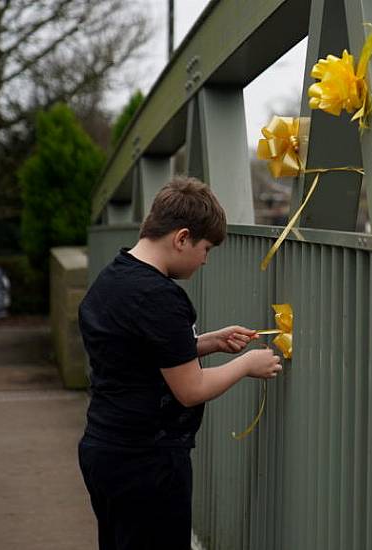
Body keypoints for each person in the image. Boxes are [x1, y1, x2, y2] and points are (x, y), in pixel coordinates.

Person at [77, 176, 281, 549]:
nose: (205, 259)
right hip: (147, 462)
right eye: (206, 248)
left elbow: (137, 353)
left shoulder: (113, 278)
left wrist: (208, 343)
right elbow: (190, 390)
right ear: (182, 237)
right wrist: (248, 364)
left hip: (105, 448)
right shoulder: (161, 298)